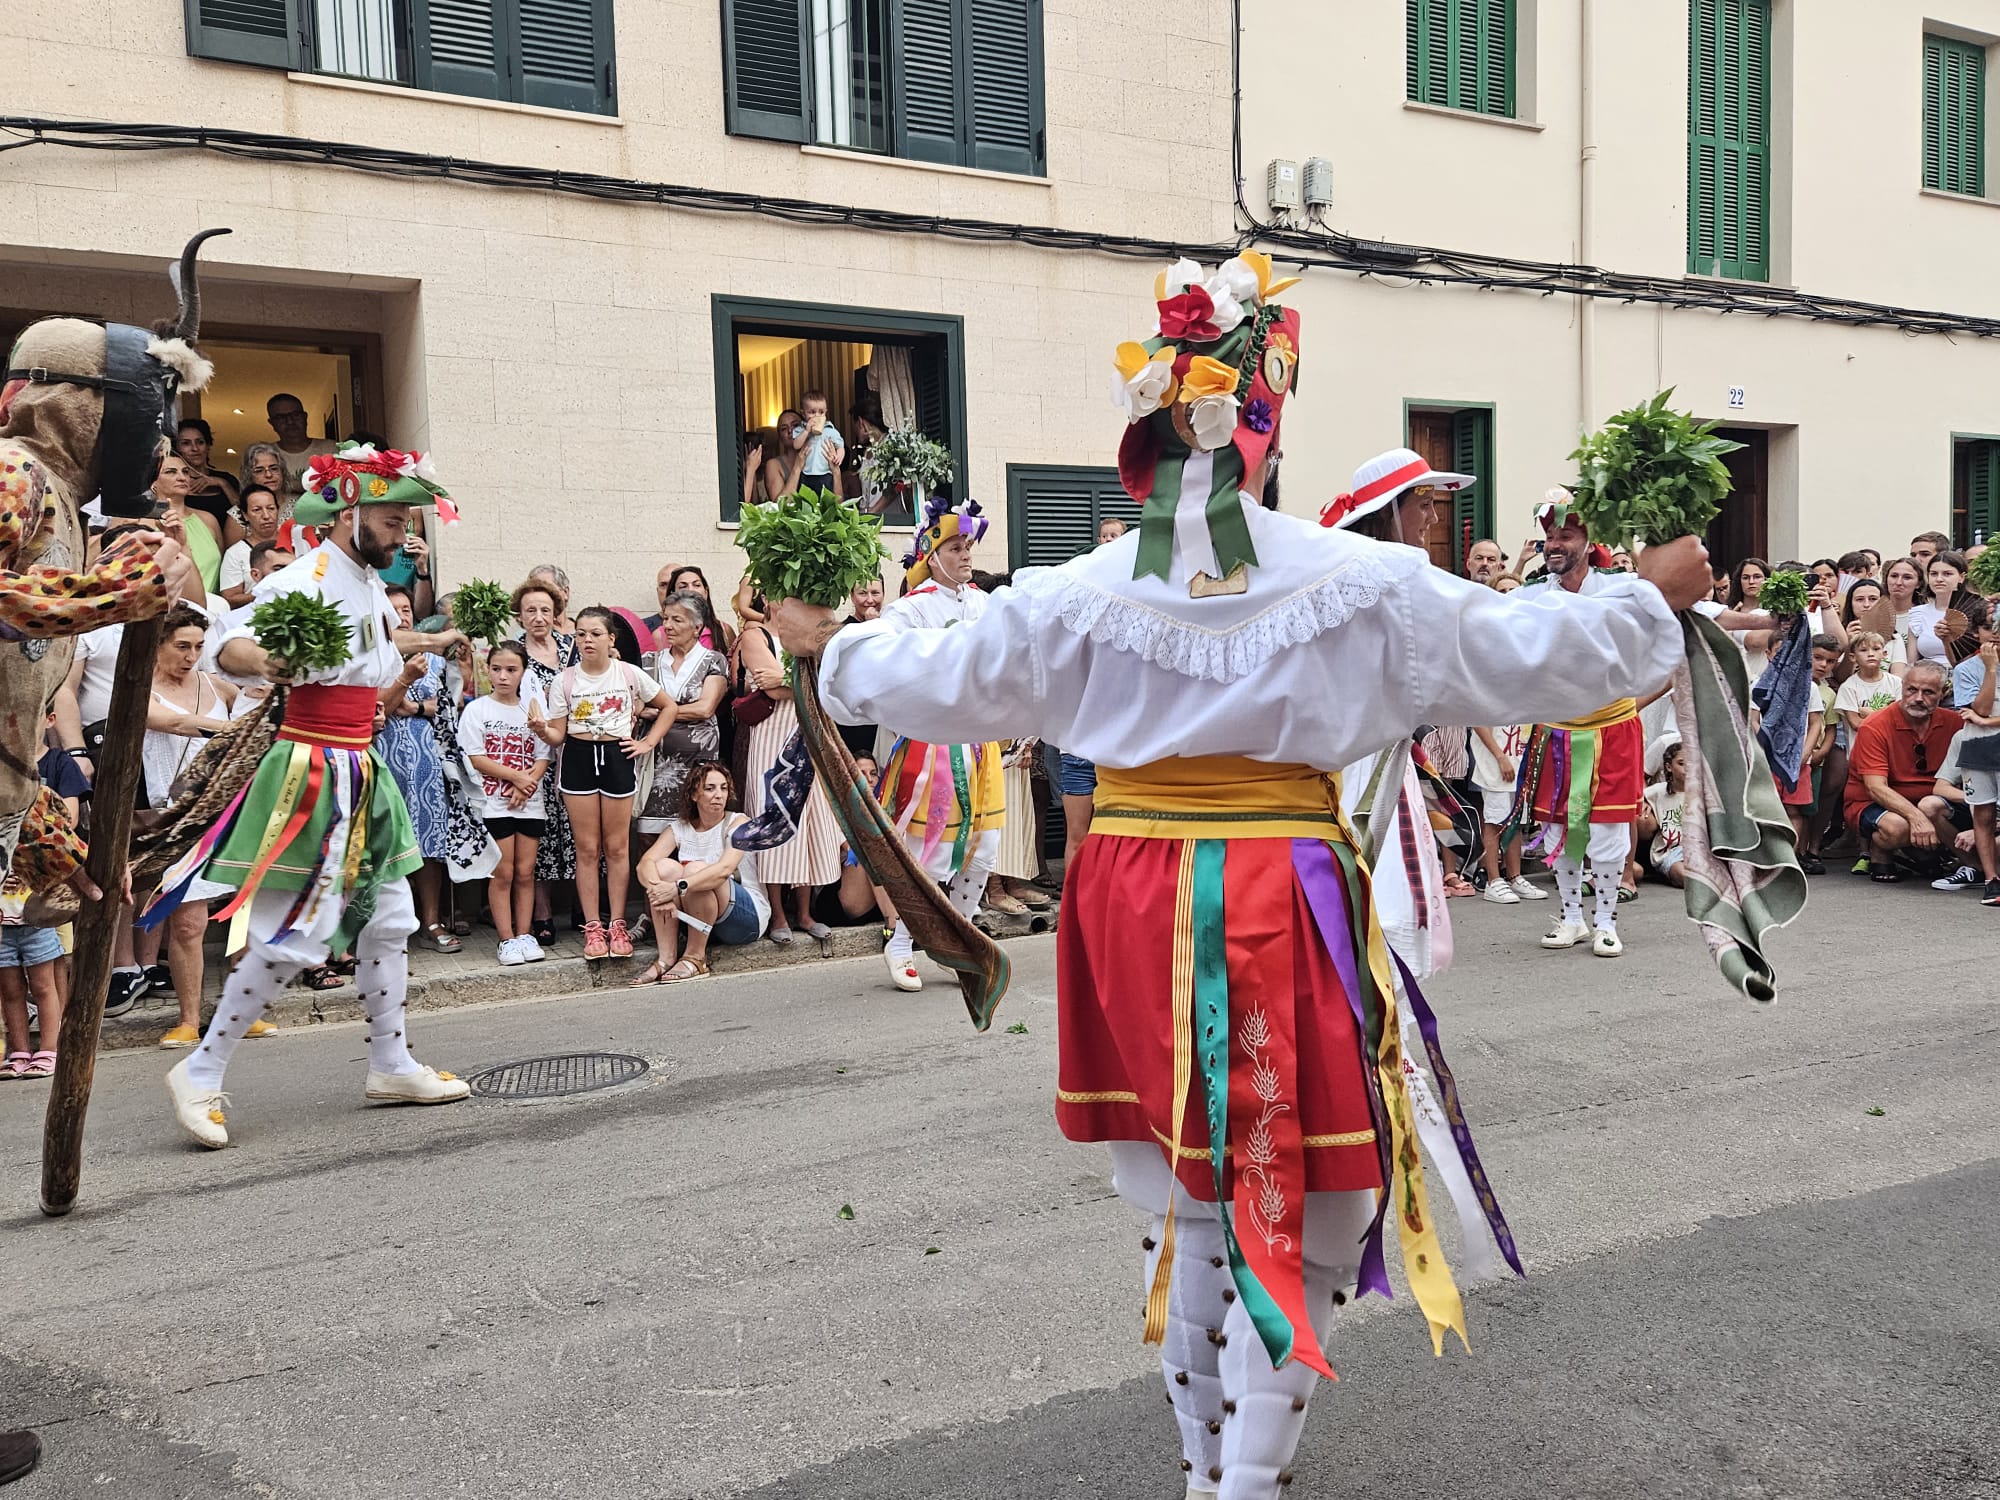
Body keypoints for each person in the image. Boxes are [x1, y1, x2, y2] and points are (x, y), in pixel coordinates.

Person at [777, 251, 1710, 1500]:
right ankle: (1246, 1481)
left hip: (1127, 885)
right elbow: (1539, 657)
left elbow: (919, 679)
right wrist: (1649, 601)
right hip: (1275, 887)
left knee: (1191, 1207)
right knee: (1306, 1192)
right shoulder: (1360, 579)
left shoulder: (1076, 591)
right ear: (1261, 429)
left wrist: (828, 648)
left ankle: (1205, 1470)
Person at [155, 444, 473, 1150]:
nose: (402, 535)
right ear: (351, 512)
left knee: (390, 916)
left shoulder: (364, 582)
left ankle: (390, 1065)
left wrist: (438, 642)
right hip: (312, 769)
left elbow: (370, 659)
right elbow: (230, 647)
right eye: (392, 520)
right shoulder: (312, 576)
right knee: (294, 931)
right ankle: (200, 1071)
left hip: (360, 764)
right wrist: (273, 661)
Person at [868, 496, 1006, 992]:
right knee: (930, 854)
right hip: (934, 749)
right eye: (956, 546)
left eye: (969, 544)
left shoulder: (986, 603)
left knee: (984, 850)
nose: (967, 554)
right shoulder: (910, 608)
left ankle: (957, 940)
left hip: (980, 745)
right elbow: (888, 661)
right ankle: (902, 940)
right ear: (932, 553)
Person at [1515, 494, 1649, 957]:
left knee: (1609, 831)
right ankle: (1572, 916)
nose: (1554, 544)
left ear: (1589, 542)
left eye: (1565, 536)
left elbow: (1676, 617)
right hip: (1556, 731)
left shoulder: (1621, 587)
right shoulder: (1531, 594)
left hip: (1612, 728)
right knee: (1559, 830)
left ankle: (1607, 920)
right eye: (1549, 536)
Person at [528, 606, 672, 960]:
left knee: (618, 847)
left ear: (611, 639)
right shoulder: (565, 680)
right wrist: (541, 729)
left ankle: (618, 923)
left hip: (617, 758)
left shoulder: (629, 674)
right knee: (588, 849)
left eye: (595, 634)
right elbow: (558, 736)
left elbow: (668, 707)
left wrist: (647, 743)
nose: (587, 640)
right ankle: (593, 927)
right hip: (578, 758)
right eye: (581, 634)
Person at [142, 604, 240, 1048]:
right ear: (158, 643)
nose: (191, 656)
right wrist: (232, 730)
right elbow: (174, 723)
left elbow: (257, 709)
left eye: (199, 647)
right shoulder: (138, 687)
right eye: (181, 646)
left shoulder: (213, 683)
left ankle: (243, 1009)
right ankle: (188, 1019)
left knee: (240, 912)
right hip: (175, 817)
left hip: (228, 809)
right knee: (188, 923)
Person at [737, 608, 842, 944]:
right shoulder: (755, 636)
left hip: (806, 733)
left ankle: (806, 912)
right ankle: (777, 913)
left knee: (809, 820)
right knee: (774, 816)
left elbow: (823, 681)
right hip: (771, 737)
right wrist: (801, 681)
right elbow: (771, 688)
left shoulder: (810, 634)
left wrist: (786, 680)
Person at [629, 762, 769, 984]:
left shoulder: (739, 823)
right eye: (710, 788)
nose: (718, 795)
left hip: (745, 919)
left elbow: (723, 870)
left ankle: (696, 958)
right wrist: (659, 892)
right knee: (664, 868)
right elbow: (645, 864)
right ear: (694, 794)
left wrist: (676, 888)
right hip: (701, 918)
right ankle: (666, 958)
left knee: (694, 870)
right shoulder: (680, 828)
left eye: (723, 788)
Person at [375, 585, 458, 955]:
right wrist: (403, 684)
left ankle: (431, 921)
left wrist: (418, 708)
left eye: (406, 608)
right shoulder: (375, 659)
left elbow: (450, 703)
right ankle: (387, 927)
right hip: (385, 763)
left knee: (429, 844)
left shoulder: (435, 659)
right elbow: (376, 709)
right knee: (384, 844)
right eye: (394, 611)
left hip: (427, 764)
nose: (403, 615)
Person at [457, 641, 550, 964]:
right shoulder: (478, 709)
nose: (504, 676)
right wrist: (516, 778)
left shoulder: (532, 710)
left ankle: (525, 934)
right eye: (497, 669)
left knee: (526, 872)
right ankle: (506, 939)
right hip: (495, 804)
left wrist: (527, 784)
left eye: (511, 670)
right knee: (503, 873)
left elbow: (543, 755)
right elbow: (477, 757)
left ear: (523, 672)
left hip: (529, 803)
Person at [1842, 661, 1968, 883]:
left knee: (1934, 809)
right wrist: (1917, 818)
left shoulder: (1955, 723)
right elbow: (1875, 787)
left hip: (1931, 801)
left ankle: (1930, 854)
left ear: (1943, 693)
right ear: (1902, 688)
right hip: (1872, 801)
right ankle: (1882, 849)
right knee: (1898, 827)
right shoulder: (1875, 725)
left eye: (1928, 692)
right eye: (1911, 689)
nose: (1918, 698)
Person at [633, 590, 729, 844]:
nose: (668, 626)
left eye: (677, 620)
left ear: (697, 627)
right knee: (649, 838)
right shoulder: (649, 662)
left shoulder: (714, 660)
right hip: (655, 764)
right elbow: (639, 708)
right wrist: (651, 711)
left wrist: (663, 711)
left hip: (696, 763)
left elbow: (705, 708)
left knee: (695, 836)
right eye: (666, 619)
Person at [515, 578, 578, 944]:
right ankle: (542, 913)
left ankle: (585, 910)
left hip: (575, 752)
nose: (538, 617)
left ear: (556, 613)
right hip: (533, 754)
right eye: (530, 611)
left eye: (545, 610)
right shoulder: (512, 654)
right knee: (539, 834)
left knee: (580, 834)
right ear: (520, 616)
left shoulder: (575, 648)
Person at [1937, 600, 2000, 903]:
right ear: (1977, 633)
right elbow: (1980, 708)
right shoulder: (1966, 669)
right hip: (1978, 748)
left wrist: (1987, 720)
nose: (1996, 634)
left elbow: (1985, 715)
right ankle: (1992, 879)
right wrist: (1990, 669)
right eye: (1989, 628)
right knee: (1983, 813)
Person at [1472, 720, 1542, 904]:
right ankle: (1493, 880)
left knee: (1515, 821)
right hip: (1496, 764)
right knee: (1494, 821)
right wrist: (1500, 757)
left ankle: (1515, 877)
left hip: (1519, 762)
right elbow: (1478, 723)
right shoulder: (1489, 691)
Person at [152, 451, 223, 596]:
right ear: (152, 481)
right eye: (171, 472)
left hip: (212, 609)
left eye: (185, 472)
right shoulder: (143, 522)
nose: (182, 477)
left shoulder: (208, 519)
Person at [174, 418, 244, 542]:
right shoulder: (175, 482)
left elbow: (245, 515)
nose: (194, 448)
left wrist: (222, 483)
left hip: (231, 546)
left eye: (200, 442)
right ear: (176, 448)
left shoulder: (227, 479)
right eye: (186, 443)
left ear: (207, 445)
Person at [263, 392, 338, 502]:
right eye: (281, 418)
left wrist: (288, 485)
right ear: (272, 423)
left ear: (305, 417)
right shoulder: (264, 455)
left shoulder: (331, 449)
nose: (290, 421)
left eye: (295, 415)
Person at [217, 486, 283, 608]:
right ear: (245, 515)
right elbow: (230, 598)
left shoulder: (297, 541)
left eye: (271, 508)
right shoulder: (235, 553)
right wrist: (266, 592)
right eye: (257, 510)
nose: (266, 515)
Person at [1637, 736, 1688, 888]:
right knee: (1686, 878)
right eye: (1681, 764)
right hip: (1670, 851)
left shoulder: (1704, 792)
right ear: (1669, 767)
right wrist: (1644, 803)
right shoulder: (1658, 791)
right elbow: (1637, 795)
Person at [1908, 550, 1970, 667]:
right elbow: (1911, 662)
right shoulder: (1918, 613)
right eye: (1934, 574)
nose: (1939, 579)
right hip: (1927, 676)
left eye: (1947, 574)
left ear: (1961, 577)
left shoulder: (1974, 611)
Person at [796, 389, 845, 492]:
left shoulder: (829, 429)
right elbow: (796, 445)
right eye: (812, 412)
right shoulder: (801, 429)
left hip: (825, 473)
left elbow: (840, 445)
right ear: (803, 413)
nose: (817, 416)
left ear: (826, 412)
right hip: (806, 473)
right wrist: (806, 431)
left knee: (825, 501)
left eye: (821, 412)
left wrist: (839, 456)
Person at [761, 408, 810, 503]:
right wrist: (797, 467)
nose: (790, 431)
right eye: (784, 428)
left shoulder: (816, 458)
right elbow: (780, 505)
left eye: (795, 425)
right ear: (779, 436)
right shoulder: (773, 465)